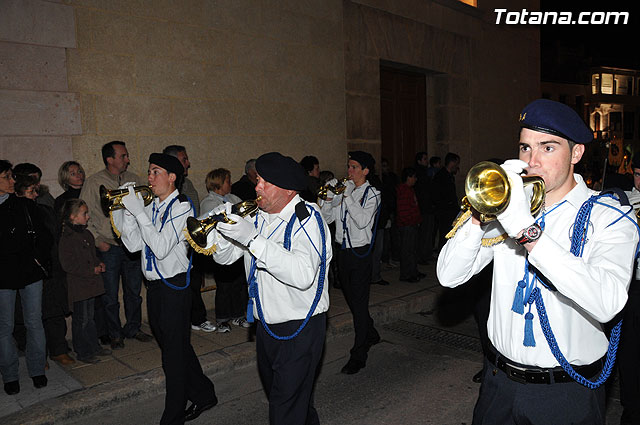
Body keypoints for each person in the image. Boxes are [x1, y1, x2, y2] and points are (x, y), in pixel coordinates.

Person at [437, 99, 639, 424]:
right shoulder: (511, 207)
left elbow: (607, 302)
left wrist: (526, 231)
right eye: (525, 148)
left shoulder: (609, 216)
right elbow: (449, 275)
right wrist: (480, 212)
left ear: (576, 153)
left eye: (547, 148)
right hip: (498, 383)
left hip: (566, 393)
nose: (532, 161)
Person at [205, 152, 331, 425]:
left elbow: (303, 274)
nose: (257, 187)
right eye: (258, 180)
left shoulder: (307, 219)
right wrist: (222, 232)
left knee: (284, 409)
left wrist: (252, 239)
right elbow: (225, 259)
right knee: (291, 400)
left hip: (300, 327)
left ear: (288, 190)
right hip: (266, 325)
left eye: (265, 182)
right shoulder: (258, 216)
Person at [112, 153, 217, 425]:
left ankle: (172, 417)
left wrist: (138, 212)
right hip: (156, 288)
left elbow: (160, 248)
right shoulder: (151, 207)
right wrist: (127, 212)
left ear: (172, 177)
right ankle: (204, 393)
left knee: (172, 356)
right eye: (149, 171)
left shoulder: (182, 207)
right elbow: (133, 245)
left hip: (175, 288)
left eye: (155, 172)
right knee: (176, 346)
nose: (149, 177)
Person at [80, 141, 152, 349]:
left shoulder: (134, 180)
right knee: (110, 296)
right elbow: (84, 216)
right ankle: (114, 334)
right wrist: (98, 240)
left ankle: (133, 328)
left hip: (132, 247)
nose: (127, 159)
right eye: (123, 156)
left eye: (127, 155)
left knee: (134, 293)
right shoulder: (94, 182)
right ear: (109, 159)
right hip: (109, 246)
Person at [320, 151, 381, 375]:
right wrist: (328, 199)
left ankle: (359, 354)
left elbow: (363, 221)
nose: (349, 171)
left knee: (359, 304)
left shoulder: (373, 194)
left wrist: (348, 196)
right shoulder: (344, 190)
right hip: (343, 252)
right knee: (353, 301)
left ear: (365, 171)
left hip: (360, 254)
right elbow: (327, 219)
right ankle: (370, 333)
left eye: (354, 167)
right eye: (348, 166)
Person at [0, 160, 51, 395]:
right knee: (4, 326)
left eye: (12, 176)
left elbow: (44, 236)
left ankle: (37, 369)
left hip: (29, 272)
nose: (13, 181)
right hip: (2, 276)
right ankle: (10, 375)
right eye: (7, 177)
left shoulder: (24, 204)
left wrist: (38, 260)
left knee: (34, 322)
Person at [14, 174, 74, 366]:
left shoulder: (45, 211)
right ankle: (38, 354)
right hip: (26, 272)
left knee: (54, 311)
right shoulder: (11, 214)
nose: (35, 194)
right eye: (30, 191)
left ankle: (58, 349)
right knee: (31, 316)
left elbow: (56, 237)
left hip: (50, 268)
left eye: (35, 191)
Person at [162, 146, 217, 334]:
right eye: (184, 159)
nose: (188, 163)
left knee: (194, 282)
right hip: (173, 246)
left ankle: (197, 318)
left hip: (191, 242)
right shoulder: (165, 188)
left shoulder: (188, 184)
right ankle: (185, 320)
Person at [58, 199, 111, 364]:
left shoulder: (86, 234)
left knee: (90, 317)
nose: (88, 217)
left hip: (90, 285)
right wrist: (90, 270)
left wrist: (99, 263)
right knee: (81, 319)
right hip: (79, 286)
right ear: (73, 216)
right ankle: (83, 351)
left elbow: (92, 256)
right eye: (84, 214)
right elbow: (68, 265)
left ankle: (93, 346)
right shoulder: (67, 238)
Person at [200, 168, 249, 333]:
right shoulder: (209, 202)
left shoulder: (233, 198)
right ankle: (222, 319)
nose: (231, 183)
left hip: (237, 247)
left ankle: (238, 315)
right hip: (221, 249)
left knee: (238, 284)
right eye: (228, 181)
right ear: (218, 184)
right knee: (224, 286)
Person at [620, 153, 640, 425]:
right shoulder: (625, 200)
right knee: (629, 352)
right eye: (637, 175)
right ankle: (631, 407)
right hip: (631, 287)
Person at [395, 167, 425, 282]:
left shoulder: (410, 189)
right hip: (407, 225)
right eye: (414, 177)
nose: (415, 179)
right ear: (408, 178)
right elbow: (403, 210)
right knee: (407, 250)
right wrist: (410, 221)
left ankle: (413, 271)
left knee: (413, 249)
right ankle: (406, 274)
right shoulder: (403, 190)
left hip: (412, 223)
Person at [433, 152, 460, 250]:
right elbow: (440, 194)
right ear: (452, 163)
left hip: (449, 210)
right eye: (456, 163)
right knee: (444, 233)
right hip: (445, 211)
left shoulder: (449, 176)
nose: (457, 166)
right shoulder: (441, 176)